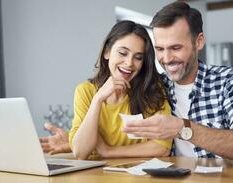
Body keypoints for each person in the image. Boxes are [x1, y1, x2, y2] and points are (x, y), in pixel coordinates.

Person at [123, 2, 233, 163]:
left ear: (199, 42)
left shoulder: (230, 81)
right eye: (160, 49)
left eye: (176, 48)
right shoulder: (156, 87)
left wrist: (182, 128)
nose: (167, 59)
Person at [68, 20, 172, 160]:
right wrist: (98, 99)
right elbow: (80, 152)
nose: (129, 63)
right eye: (123, 53)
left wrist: (108, 151)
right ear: (107, 52)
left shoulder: (152, 91)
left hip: (138, 177)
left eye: (138, 57)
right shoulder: (85, 91)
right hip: (94, 177)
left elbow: (162, 147)